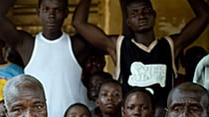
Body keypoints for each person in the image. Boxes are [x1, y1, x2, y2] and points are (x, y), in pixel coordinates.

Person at [73, 0, 209, 105]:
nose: (141, 16)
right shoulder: (119, 46)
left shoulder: (170, 46)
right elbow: (79, 23)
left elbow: (204, 15)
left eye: (146, 11)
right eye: (134, 13)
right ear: (128, 21)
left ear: (154, 15)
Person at [0, 0, 91, 117]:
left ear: (66, 13)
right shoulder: (27, 45)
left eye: (57, 10)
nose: (51, 15)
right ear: (38, 12)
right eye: (46, 9)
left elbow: (81, 24)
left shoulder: (76, 45)